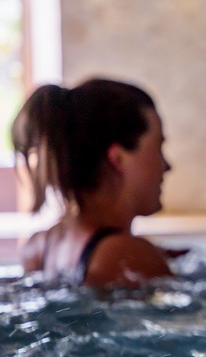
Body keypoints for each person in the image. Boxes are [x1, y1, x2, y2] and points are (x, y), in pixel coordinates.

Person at [12, 77, 175, 287]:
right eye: (158, 147)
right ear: (118, 159)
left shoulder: (37, 247)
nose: (167, 166)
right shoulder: (128, 257)